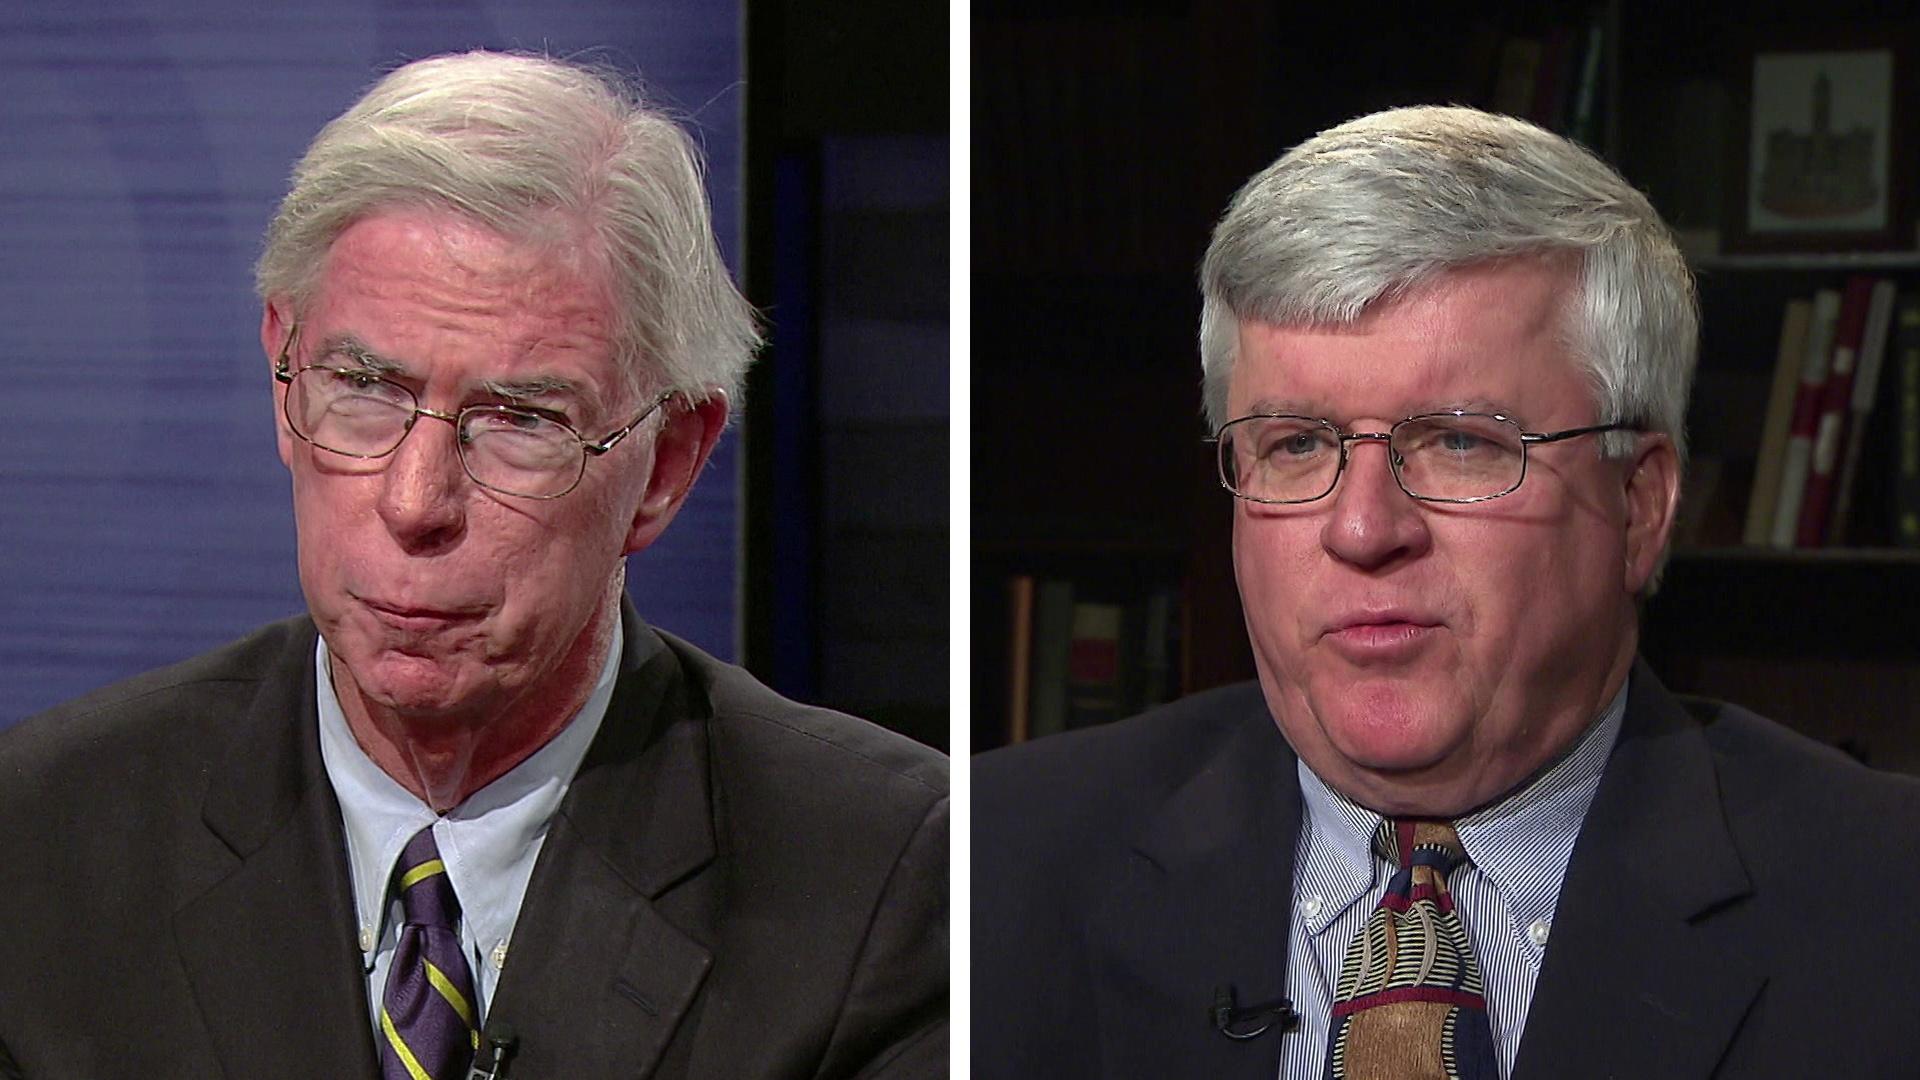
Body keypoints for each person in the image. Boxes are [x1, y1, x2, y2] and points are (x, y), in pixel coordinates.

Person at [0, 52, 946, 1079]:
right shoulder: (40, 845)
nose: (413, 504)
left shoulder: (887, 881)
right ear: (283, 377)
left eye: (520, 421)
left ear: (668, 462)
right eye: (362, 386)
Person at [973, 105, 1920, 1079]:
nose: (1364, 529)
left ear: (1639, 506)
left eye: (1461, 443)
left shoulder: (1889, 908)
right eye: (1296, 446)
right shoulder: (986, 868)